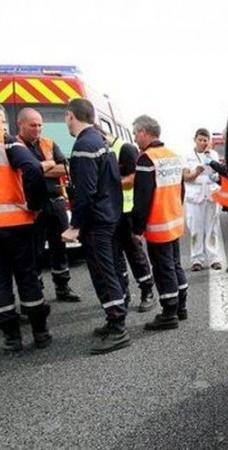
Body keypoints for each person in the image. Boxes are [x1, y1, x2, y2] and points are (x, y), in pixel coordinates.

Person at [61, 98, 130, 354]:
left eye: (65, 118)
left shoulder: (83, 146)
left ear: (71, 116)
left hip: (97, 222)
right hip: (109, 217)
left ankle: (118, 328)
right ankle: (114, 318)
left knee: (103, 273)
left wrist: (75, 226)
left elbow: (85, 193)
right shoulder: (100, 141)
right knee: (109, 269)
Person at [0, 104, 52, 352]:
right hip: (18, 224)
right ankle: (40, 334)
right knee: (27, 278)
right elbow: (32, 168)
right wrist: (35, 204)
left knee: (1, 284)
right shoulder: (10, 144)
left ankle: (12, 338)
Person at [15, 108, 80, 302]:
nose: (38, 129)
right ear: (20, 124)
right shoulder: (15, 146)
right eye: (33, 125)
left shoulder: (49, 143)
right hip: (33, 206)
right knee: (33, 251)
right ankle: (37, 292)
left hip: (56, 203)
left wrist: (37, 168)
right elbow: (21, 173)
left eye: (40, 125)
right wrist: (47, 165)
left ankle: (63, 287)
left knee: (59, 247)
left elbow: (64, 168)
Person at [131, 115, 188, 330]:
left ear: (145, 132)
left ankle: (169, 313)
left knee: (163, 269)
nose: (135, 137)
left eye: (136, 132)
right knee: (174, 265)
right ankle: (181, 306)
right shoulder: (173, 156)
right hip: (173, 221)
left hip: (158, 224)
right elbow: (181, 190)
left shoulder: (147, 159)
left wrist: (137, 228)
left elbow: (142, 197)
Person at [98, 126, 156, 312]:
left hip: (127, 211)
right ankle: (122, 293)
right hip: (109, 212)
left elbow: (134, 178)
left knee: (134, 253)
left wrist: (108, 184)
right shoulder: (101, 150)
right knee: (115, 256)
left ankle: (147, 291)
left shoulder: (125, 149)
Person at [183, 128, 223, 271]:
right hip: (195, 197)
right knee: (195, 229)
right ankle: (197, 260)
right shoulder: (187, 156)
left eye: (205, 140)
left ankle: (214, 258)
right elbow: (185, 177)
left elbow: (217, 174)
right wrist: (196, 172)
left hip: (211, 196)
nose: (202, 142)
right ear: (195, 139)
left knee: (212, 229)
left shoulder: (213, 154)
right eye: (200, 139)